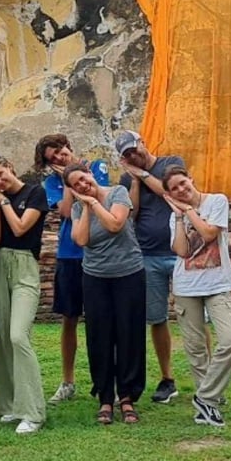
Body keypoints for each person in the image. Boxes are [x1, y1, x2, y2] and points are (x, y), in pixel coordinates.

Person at [65, 161, 146, 425]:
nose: (82, 185)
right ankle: (105, 398)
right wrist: (86, 206)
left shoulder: (117, 193)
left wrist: (94, 201)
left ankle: (127, 396)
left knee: (128, 334)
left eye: (83, 179)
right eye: (75, 184)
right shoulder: (79, 208)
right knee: (99, 337)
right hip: (96, 278)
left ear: (90, 174)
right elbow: (81, 240)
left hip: (129, 274)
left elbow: (115, 224)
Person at [34, 134, 110, 403]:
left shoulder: (98, 167)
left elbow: (101, 199)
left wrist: (77, 172)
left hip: (99, 251)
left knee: (102, 318)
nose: (57, 157)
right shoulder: (51, 182)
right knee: (69, 317)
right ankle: (67, 381)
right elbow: (66, 212)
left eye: (59, 151)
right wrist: (67, 179)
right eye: (51, 157)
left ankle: (104, 378)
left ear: (68, 148)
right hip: (69, 253)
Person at [165, 166, 231, 428]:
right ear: (169, 194)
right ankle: (207, 405)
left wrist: (187, 210)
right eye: (174, 189)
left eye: (183, 184)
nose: (181, 190)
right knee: (196, 348)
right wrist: (177, 218)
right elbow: (182, 252)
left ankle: (205, 396)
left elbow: (209, 234)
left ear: (191, 180)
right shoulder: (174, 216)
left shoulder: (216, 201)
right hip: (186, 287)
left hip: (218, 284)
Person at [114, 129, 187, 404]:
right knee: (156, 318)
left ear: (143, 143)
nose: (133, 156)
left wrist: (142, 175)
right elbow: (132, 212)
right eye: (127, 155)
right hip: (148, 255)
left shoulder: (170, 163)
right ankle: (168, 378)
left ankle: (206, 378)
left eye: (134, 149)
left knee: (193, 316)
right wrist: (133, 181)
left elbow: (171, 193)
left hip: (181, 252)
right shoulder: (126, 178)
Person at [0, 153, 48, 435]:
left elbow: (21, 228)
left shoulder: (34, 192)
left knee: (18, 335)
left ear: (10, 167)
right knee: (3, 339)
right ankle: (10, 405)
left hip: (24, 266)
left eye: (0, 174)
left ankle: (33, 411)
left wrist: (4, 201)